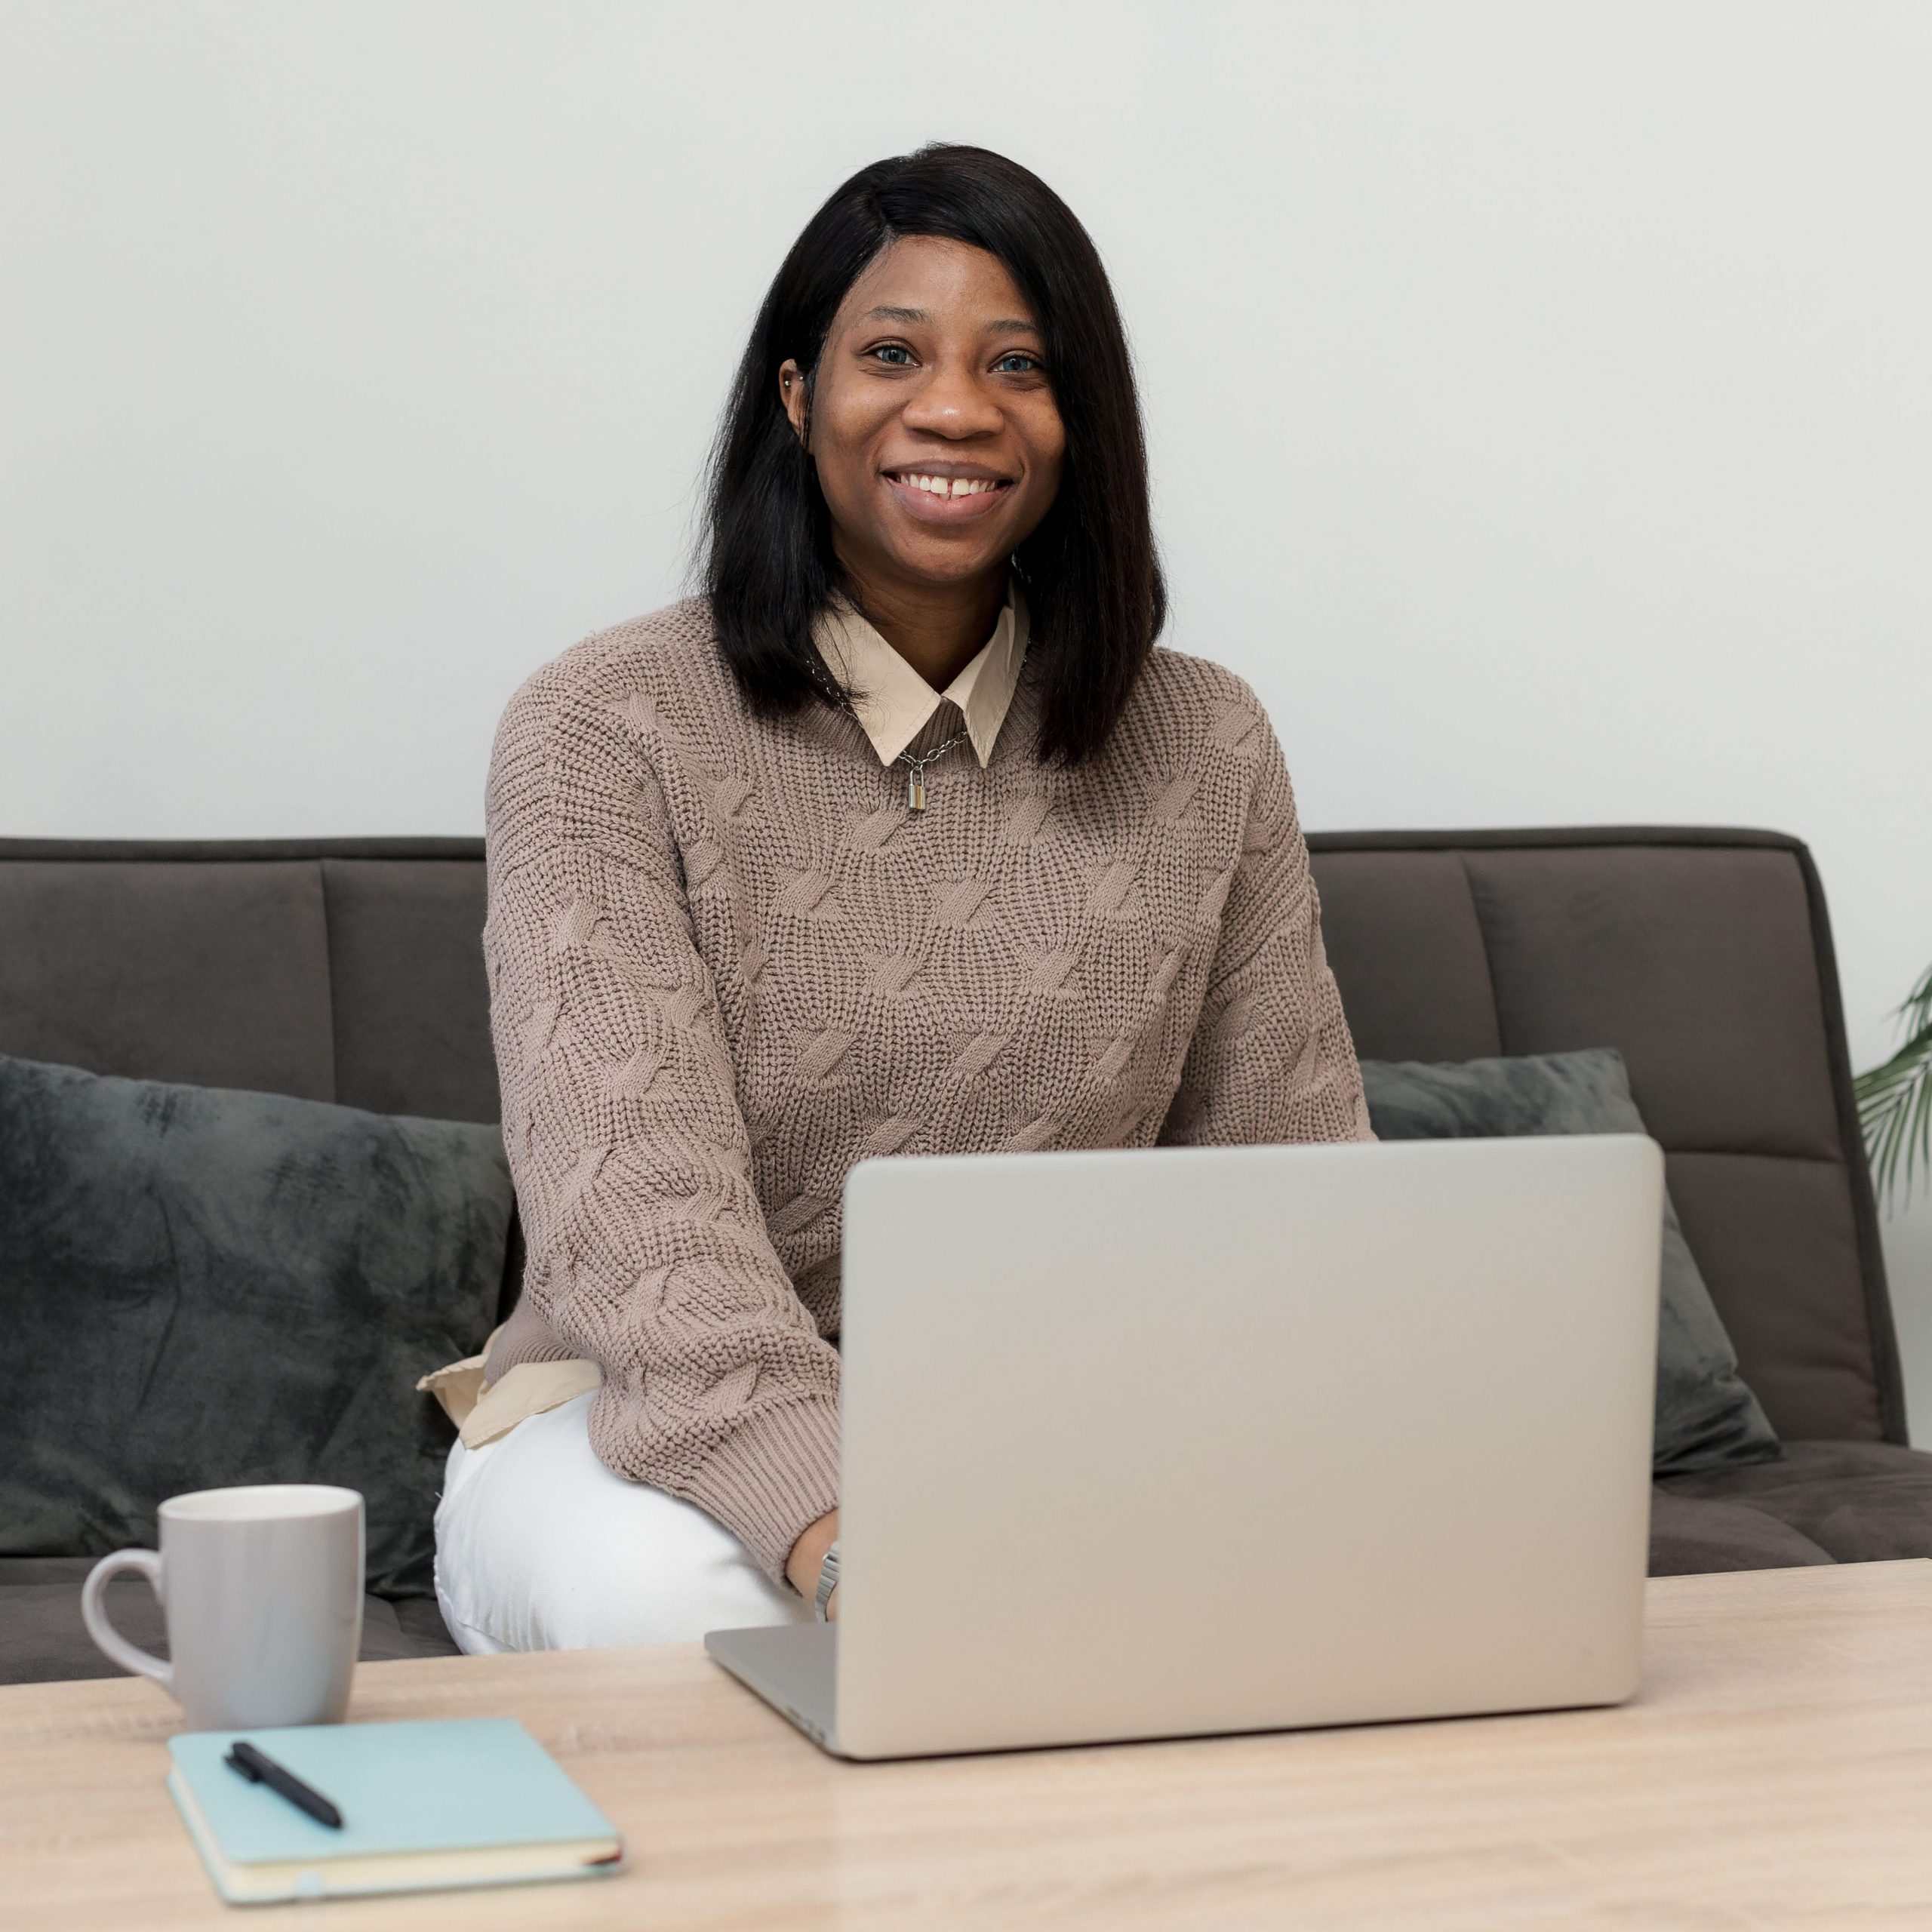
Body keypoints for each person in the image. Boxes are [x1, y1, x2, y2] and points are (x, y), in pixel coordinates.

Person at [430, 143, 1371, 1654]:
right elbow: (643, 1231)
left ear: (1075, 422)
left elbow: (1291, 1184)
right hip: (638, 1425)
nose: (955, 409)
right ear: (797, 395)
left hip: (1055, 1419)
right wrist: (856, 1539)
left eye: (1018, 365)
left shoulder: (1206, 737)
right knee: (685, 1612)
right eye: (892, 355)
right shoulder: (604, 726)